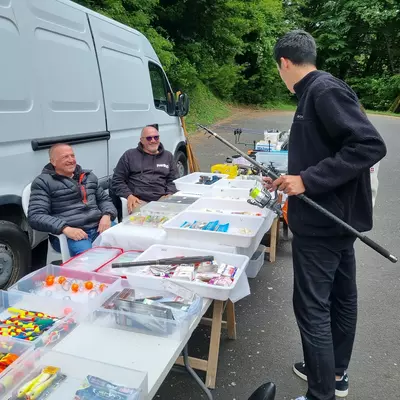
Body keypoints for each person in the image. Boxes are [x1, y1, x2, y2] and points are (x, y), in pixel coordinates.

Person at [266, 30, 387, 400]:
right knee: (341, 297)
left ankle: (322, 393)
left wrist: (306, 180)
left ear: (284, 62)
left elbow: (369, 144)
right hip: (335, 219)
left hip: (323, 222)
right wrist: (293, 178)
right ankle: (334, 373)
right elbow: (327, 151)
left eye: (278, 69)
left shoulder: (323, 91)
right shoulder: (316, 91)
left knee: (313, 308)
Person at [28, 143, 117, 256]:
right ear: (53, 162)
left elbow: (104, 200)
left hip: (99, 225)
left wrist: (107, 215)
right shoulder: (43, 182)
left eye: (72, 156)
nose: (71, 160)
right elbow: (35, 216)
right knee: (91, 259)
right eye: (65, 157)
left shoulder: (88, 176)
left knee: (126, 241)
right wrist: (64, 228)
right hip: (71, 234)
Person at [112, 125, 178, 214]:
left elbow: (173, 180)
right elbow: (117, 180)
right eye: (149, 138)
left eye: (156, 137)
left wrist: (169, 194)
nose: (153, 140)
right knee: (145, 219)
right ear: (142, 140)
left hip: (162, 198)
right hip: (138, 199)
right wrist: (128, 195)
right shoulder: (130, 155)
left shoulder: (168, 156)